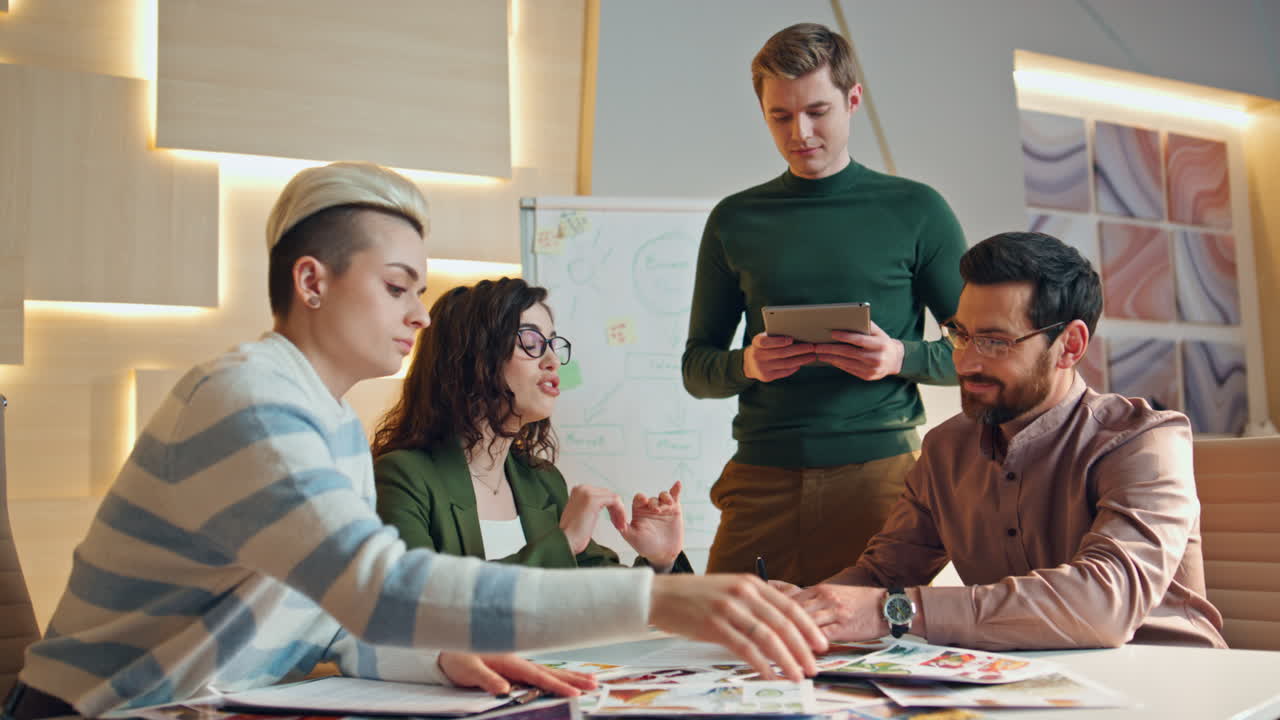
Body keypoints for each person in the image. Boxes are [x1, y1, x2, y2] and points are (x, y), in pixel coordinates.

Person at [7, 162, 826, 720]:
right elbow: (380, 590)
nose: (420, 314)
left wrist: (438, 661)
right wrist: (661, 599)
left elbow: (332, 624)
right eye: (398, 287)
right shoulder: (247, 399)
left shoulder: (325, 419)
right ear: (311, 282)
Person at [779, 231, 1227, 650]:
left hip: (1169, 682)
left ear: (1070, 346)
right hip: (1026, 687)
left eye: (994, 341)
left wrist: (893, 612)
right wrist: (798, 608)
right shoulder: (945, 450)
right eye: (961, 334)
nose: (967, 362)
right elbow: (883, 574)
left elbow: (1102, 604)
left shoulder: (1143, 441)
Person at [683, 22, 967, 586]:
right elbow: (697, 369)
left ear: (852, 99)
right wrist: (748, 364)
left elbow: (984, 349)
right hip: (761, 474)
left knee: (875, 655)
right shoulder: (734, 220)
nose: (801, 132)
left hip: (879, 479)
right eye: (780, 116)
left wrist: (899, 358)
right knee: (721, 650)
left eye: (817, 111)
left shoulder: (918, 210)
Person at [372, 277, 693, 573]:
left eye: (553, 343)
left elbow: (602, 599)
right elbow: (420, 602)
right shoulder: (402, 477)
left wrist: (660, 561)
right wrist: (563, 542)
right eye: (531, 341)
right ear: (472, 356)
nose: (552, 360)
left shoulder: (542, 482)